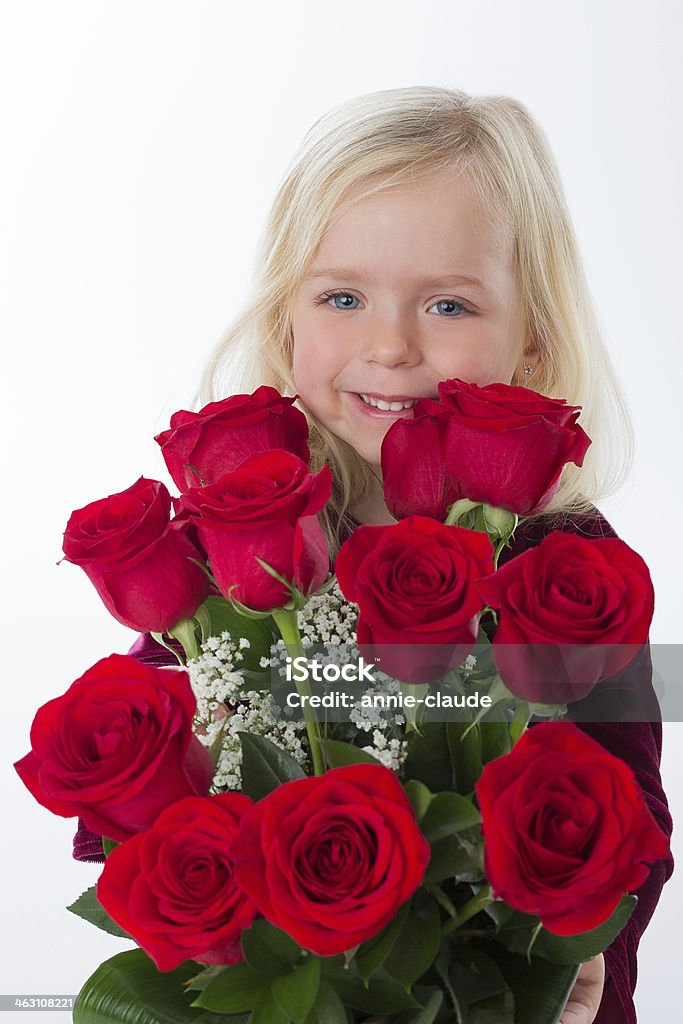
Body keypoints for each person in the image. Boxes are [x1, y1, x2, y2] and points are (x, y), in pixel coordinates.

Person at [75, 86, 673, 1023]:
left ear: (532, 346)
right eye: (342, 297)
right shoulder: (232, 546)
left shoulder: (567, 566)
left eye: (446, 304)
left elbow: (630, 810)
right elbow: (132, 781)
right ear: (285, 324)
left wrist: (585, 948)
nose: (389, 346)